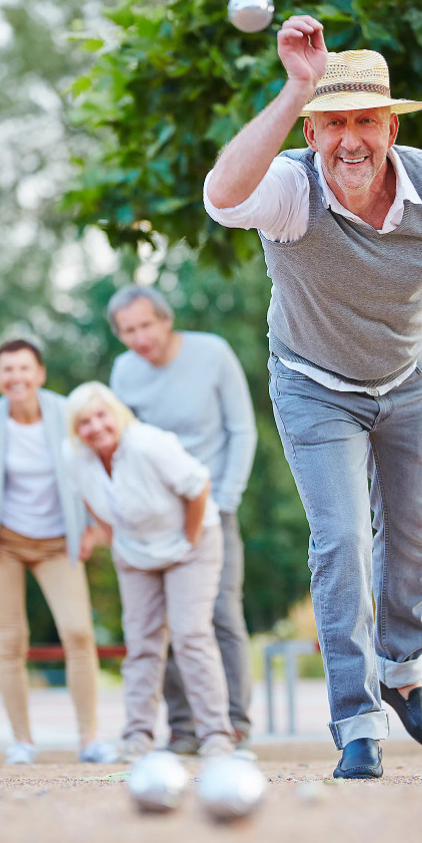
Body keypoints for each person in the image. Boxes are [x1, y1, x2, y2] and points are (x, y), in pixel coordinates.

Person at [203, 17, 422, 779]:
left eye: (365, 120)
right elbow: (219, 194)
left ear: (390, 125)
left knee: (410, 536)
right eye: (332, 123)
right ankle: (356, 720)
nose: (350, 141)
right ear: (310, 130)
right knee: (339, 545)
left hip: (406, 377)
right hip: (312, 382)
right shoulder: (290, 192)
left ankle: (402, 672)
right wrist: (298, 83)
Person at [107, 285, 257, 753]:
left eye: (145, 325)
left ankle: (232, 722)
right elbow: (120, 444)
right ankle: (185, 726)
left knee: (218, 614)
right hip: (155, 516)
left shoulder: (212, 353)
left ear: (165, 320)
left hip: (213, 508)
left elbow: (241, 428)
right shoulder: (124, 373)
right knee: (162, 622)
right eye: (128, 331)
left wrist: (227, 497)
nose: (139, 338)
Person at [62, 381, 235, 761]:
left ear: (117, 414)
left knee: (190, 635)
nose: (95, 427)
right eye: (84, 422)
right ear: (76, 430)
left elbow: (199, 486)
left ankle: (217, 736)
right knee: (141, 642)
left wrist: (188, 543)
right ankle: (137, 736)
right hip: (135, 551)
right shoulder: (74, 457)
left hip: (191, 543)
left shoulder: (147, 444)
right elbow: (90, 499)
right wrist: (114, 539)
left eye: (101, 415)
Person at [0, 338, 106, 765]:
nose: (16, 378)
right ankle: (22, 742)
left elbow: (86, 468)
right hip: (4, 541)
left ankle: (89, 740)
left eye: (24, 368)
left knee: (79, 634)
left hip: (55, 542)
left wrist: (93, 526)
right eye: (7, 370)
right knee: (10, 640)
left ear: (40, 373)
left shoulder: (65, 413)